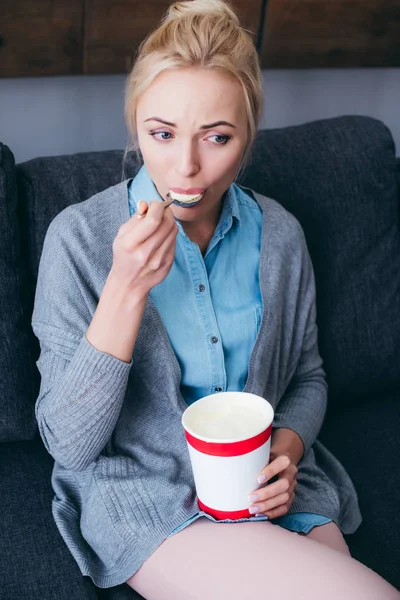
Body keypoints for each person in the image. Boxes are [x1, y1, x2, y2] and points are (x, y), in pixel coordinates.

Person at [32, 1, 400, 598]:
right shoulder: (80, 239)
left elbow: (308, 377)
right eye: (162, 134)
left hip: (271, 488)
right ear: (135, 127)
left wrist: (288, 446)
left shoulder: (279, 235)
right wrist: (124, 290)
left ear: (248, 135)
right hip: (147, 496)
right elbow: (71, 445)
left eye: (217, 137)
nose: (187, 167)